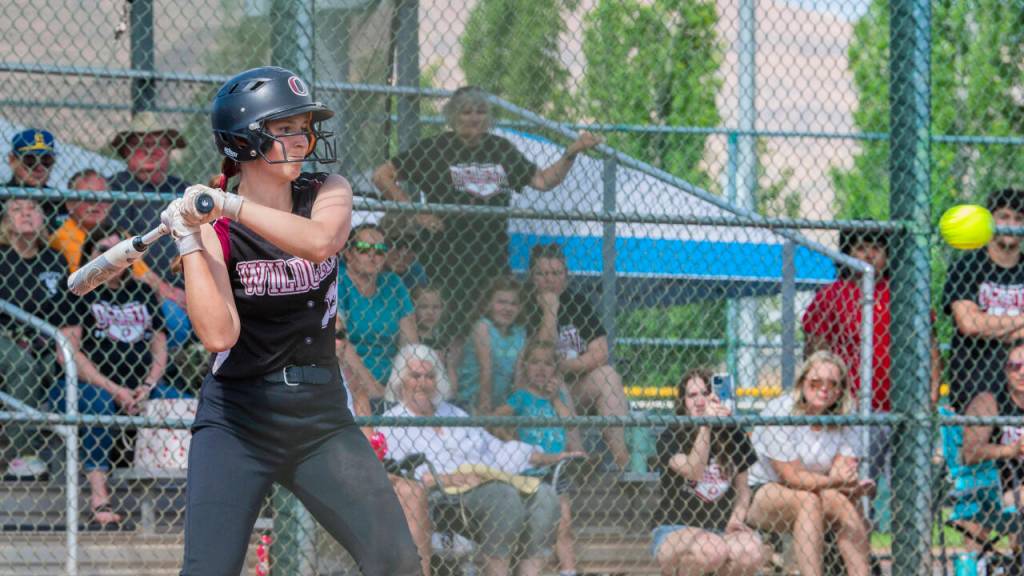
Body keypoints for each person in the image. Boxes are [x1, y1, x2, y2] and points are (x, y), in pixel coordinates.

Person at [156, 66, 418, 575]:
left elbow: (321, 241)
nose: (304, 139)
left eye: (305, 127)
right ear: (243, 142)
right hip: (237, 419)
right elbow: (218, 334)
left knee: (396, 561)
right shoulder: (213, 229)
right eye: (286, 129)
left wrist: (229, 203)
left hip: (319, 417)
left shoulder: (327, 189)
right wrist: (189, 237)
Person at [372, 86, 602, 339]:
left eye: (480, 112)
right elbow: (382, 175)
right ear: (453, 116)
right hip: (445, 256)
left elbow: (543, 181)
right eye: (466, 112)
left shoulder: (500, 149)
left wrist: (571, 153)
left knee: (494, 330)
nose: (474, 118)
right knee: (449, 332)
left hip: (491, 257)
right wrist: (417, 213)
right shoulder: (435, 149)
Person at [381, 344, 567, 576]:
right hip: (443, 493)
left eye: (430, 376)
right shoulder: (392, 421)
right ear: (400, 380)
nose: (423, 383)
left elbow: (495, 449)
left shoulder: (454, 414)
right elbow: (400, 474)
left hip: (484, 480)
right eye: (415, 376)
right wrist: (452, 477)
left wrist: (545, 456)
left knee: (546, 497)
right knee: (503, 496)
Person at [55, 225, 186, 526]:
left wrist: (148, 385)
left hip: (141, 386)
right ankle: (100, 497)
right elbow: (68, 354)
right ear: (90, 256)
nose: (111, 257)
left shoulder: (141, 290)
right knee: (98, 403)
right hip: (85, 386)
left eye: (119, 250)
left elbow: (160, 346)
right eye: (103, 250)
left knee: (186, 404)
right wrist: (114, 388)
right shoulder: (77, 289)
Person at [802, 225, 942, 480]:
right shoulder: (832, 295)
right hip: (850, 407)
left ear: (888, 254)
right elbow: (815, 351)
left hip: (903, 404)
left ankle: (907, 521)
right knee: (856, 482)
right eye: (860, 248)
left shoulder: (904, 294)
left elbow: (929, 344)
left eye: (876, 248)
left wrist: (932, 389)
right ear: (847, 253)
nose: (868, 255)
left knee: (911, 481)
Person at [745, 351, 873, 576]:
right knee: (808, 501)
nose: (824, 389)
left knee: (846, 503)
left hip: (818, 487)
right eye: (815, 382)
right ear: (802, 383)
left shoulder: (847, 416)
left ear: (840, 390)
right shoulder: (781, 411)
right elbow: (792, 477)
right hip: (763, 490)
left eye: (832, 384)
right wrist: (837, 482)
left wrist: (851, 486)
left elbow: (842, 473)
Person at [527, 243, 630, 469]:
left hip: (578, 385)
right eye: (542, 274)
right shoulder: (526, 305)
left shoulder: (578, 303)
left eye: (556, 273)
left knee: (607, 375)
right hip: (541, 393)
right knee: (555, 381)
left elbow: (601, 352)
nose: (549, 279)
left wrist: (567, 365)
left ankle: (624, 461)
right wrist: (550, 311)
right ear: (532, 277)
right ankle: (577, 456)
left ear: (566, 276)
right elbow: (542, 357)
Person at [652, 368, 763, 576]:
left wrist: (737, 518)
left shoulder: (733, 434)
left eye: (705, 393)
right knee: (712, 550)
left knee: (751, 551)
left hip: (721, 527)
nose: (700, 401)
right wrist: (706, 426)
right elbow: (693, 471)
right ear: (683, 402)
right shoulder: (671, 434)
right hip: (674, 527)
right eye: (692, 395)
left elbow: (743, 489)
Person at [492, 339, 585, 576]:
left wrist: (554, 398)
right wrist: (507, 438)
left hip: (557, 471)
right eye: (535, 363)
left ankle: (568, 570)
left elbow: (569, 423)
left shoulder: (557, 399)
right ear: (525, 367)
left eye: (548, 363)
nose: (541, 369)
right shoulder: (521, 397)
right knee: (530, 526)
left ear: (556, 369)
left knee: (564, 524)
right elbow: (495, 418)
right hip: (530, 471)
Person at [0, 198, 76, 480]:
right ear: (6, 221)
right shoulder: (2, 255)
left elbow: (68, 308)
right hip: (6, 335)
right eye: (17, 210)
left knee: (59, 368)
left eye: (32, 209)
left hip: (45, 339)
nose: (26, 215)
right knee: (23, 366)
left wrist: (65, 343)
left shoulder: (54, 258)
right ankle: (24, 455)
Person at [106, 112, 193, 348]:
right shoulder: (115, 189)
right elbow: (118, 253)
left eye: (161, 144)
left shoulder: (182, 188)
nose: (153, 150)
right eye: (143, 145)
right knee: (174, 320)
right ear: (126, 151)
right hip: (140, 292)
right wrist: (166, 290)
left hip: (189, 285)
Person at [49, 170, 186, 310]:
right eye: (88, 197)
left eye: (103, 197)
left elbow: (144, 273)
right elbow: (99, 278)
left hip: (127, 299)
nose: (96, 203)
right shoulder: (63, 236)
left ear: (109, 204)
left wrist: (169, 292)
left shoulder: (116, 234)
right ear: (70, 204)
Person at [944, 188, 1024, 412]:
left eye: (1019, 218)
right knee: (975, 446)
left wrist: (988, 324)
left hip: (1021, 384)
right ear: (990, 221)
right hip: (974, 380)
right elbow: (969, 324)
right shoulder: (966, 267)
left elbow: (980, 323)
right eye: (1004, 217)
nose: (1011, 224)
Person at [337, 222, 418, 408]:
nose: (373, 256)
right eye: (364, 249)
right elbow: (341, 344)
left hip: (393, 382)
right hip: (349, 380)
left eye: (380, 250)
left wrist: (400, 385)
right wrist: (374, 389)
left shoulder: (394, 283)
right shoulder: (339, 282)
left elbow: (410, 343)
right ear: (348, 254)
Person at [961, 340, 1024, 510]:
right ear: (1005, 370)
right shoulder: (989, 402)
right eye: (1015, 366)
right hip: (994, 485)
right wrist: (1010, 450)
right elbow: (970, 452)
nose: (1022, 372)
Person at [456, 275, 528, 414]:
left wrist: (515, 409)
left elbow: (519, 375)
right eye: (501, 302)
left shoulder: (520, 333)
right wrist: (485, 408)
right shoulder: (483, 327)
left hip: (502, 404)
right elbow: (486, 369)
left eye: (514, 304)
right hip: (472, 402)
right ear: (488, 304)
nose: (508, 308)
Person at [6, 128, 64, 230]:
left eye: (46, 159)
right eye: (30, 160)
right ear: (12, 160)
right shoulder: (2, 198)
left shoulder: (60, 203)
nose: (39, 167)